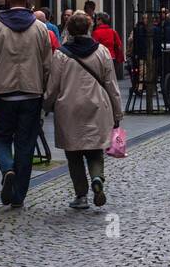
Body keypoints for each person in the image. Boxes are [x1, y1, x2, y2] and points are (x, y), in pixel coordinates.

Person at [0, 0, 52, 209]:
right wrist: (46, 96)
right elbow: (48, 65)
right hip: (31, 94)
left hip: (3, 93)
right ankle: (18, 195)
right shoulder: (40, 28)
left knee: (0, 138)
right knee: (26, 144)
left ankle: (7, 167)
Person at [43, 11, 122, 210]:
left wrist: (45, 105)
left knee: (74, 154)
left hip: (69, 109)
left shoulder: (61, 54)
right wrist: (117, 113)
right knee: (95, 151)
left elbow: (53, 86)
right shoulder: (102, 51)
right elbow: (111, 85)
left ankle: (81, 195)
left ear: (68, 29)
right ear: (89, 28)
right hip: (97, 107)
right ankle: (97, 178)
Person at [92, 13, 126, 81]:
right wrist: (119, 59)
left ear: (100, 20)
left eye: (96, 19)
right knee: (110, 79)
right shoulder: (113, 32)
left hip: (100, 58)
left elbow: (93, 46)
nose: (95, 21)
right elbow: (119, 46)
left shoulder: (95, 33)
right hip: (112, 58)